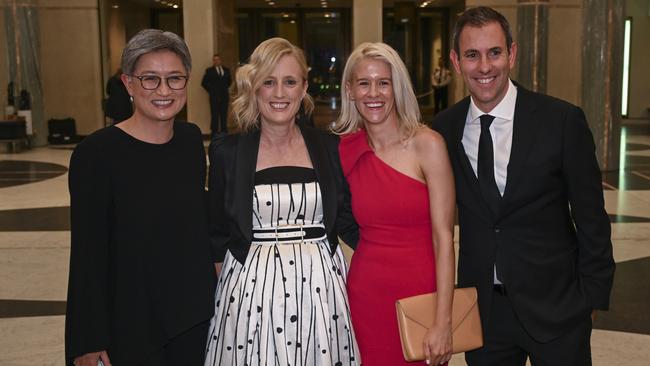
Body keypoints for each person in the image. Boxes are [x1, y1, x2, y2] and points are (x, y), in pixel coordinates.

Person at [432, 7, 615, 366]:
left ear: (512, 54)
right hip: (484, 313)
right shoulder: (443, 129)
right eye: (472, 55)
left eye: (494, 53)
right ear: (456, 61)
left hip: (558, 308)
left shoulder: (561, 121)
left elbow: (592, 216)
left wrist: (590, 298)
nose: (484, 67)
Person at [204, 37, 361, 366]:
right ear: (254, 88)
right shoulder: (227, 151)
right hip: (249, 292)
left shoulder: (329, 147)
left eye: (289, 82)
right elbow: (217, 231)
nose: (279, 94)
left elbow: (347, 217)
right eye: (268, 82)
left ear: (304, 87)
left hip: (321, 291)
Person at [65, 29, 215, 366]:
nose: (164, 90)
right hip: (130, 322)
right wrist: (87, 339)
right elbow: (88, 254)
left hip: (191, 317)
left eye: (175, 79)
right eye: (150, 79)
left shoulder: (190, 141)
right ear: (128, 83)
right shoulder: (97, 153)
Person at [334, 42, 455, 366]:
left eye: (383, 82)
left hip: (421, 295)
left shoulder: (427, 145)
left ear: (396, 87)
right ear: (350, 90)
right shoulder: (343, 151)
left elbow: (444, 238)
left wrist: (443, 321)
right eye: (364, 83)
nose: (374, 93)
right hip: (366, 295)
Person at [202, 53, 232, 135]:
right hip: (214, 97)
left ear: (220, 60)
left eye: (218, 59)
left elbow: (229, 82)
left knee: (224, 115)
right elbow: (203, 83)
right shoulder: (209, 71)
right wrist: (211, 91)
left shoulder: (226, 70)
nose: (216, 61)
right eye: (214, 60)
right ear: (213, 61)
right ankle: (214, 133)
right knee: (215, 115)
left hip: (224, 97)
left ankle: (224, 132)